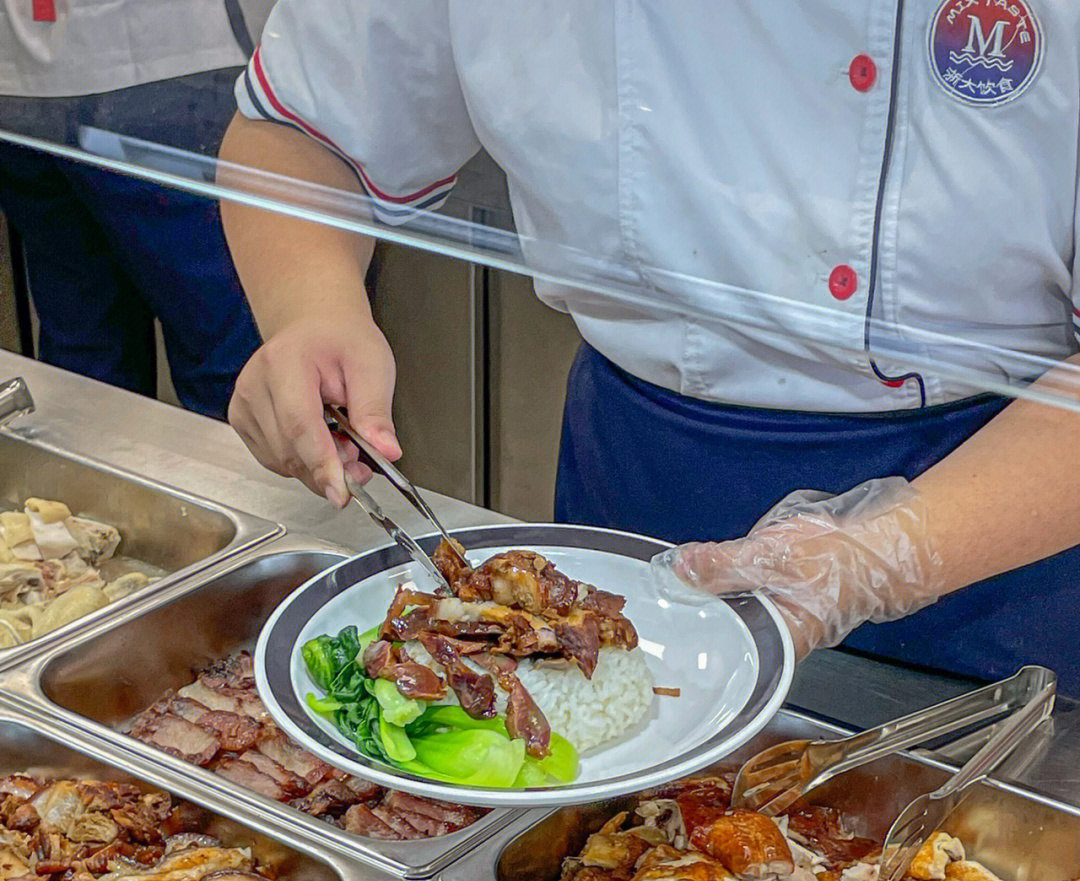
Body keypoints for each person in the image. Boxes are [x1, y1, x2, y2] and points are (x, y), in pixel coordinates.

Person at [219, 2, 1080, 688]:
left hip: (999, 536)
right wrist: (311, 308)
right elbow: (305, 130)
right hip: (632, 486)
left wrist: (880, 558)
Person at [0, 1, 270, 420]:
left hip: (21, 76)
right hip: (164, 63)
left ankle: (89, 486)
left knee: (88, 365)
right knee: (239, 373)